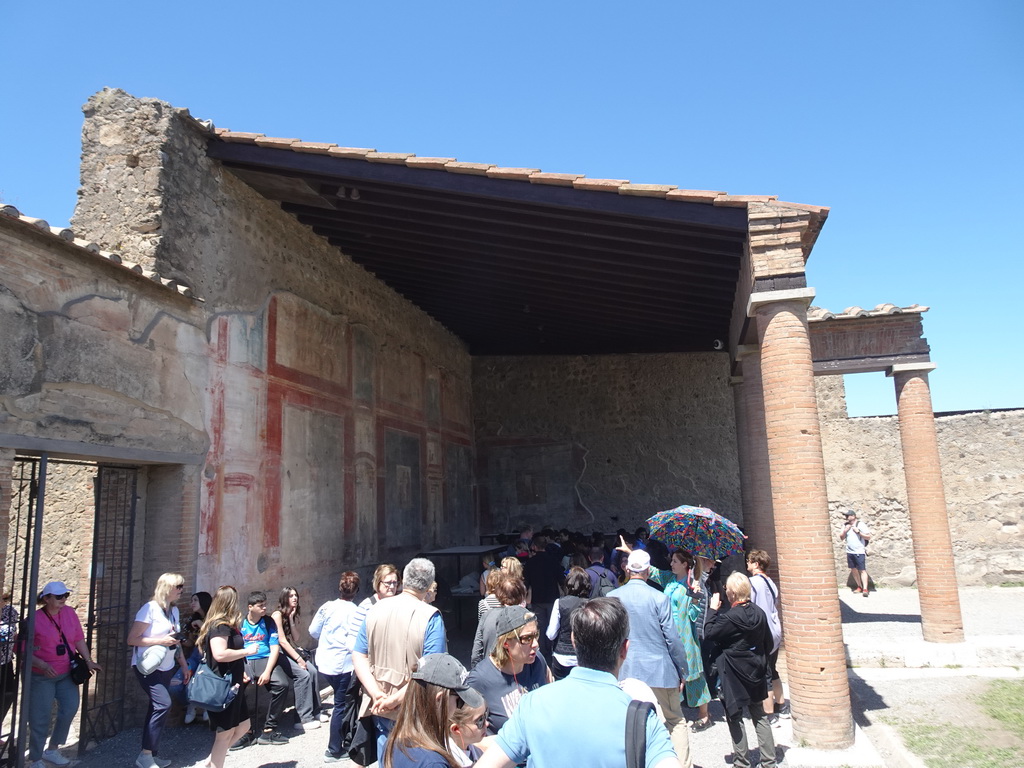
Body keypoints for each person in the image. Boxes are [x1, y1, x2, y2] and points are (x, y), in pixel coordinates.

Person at [474, 598, 678, 768]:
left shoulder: (533, 704)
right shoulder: (642, 718)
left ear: (573, 641)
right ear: (624, 649)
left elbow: (489, 763)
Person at [353, 558, 446, 755]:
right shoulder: (430, 616)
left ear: (403, 580)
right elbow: (432, 671)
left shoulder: (374, 609)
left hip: (379, 704)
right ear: (430, 585)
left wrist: (377, 693)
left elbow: (358, 655)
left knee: (385, 757)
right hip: (414, 709)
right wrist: (395, 699)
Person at [608, 549, 692, 768]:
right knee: (675, 720)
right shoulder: (660, 597)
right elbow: (672, 639)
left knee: (628, 724)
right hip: (660, 670)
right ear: (646, 571)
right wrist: (682, 669)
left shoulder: (613, 598)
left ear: (627, 569)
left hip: (626, 670)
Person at [705, 573, 777, 768]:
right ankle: (769, 762)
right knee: (760, 715)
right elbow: (768, 643)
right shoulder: (759, 613)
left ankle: (742, 762)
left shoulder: (730, 617)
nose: (726, 591)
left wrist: (712, 610)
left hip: (734, 673)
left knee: (734, 716)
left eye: (727, 589)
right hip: (755, 671)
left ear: (733, 593)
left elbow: (709, 633)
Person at [27, 581, 102, 768]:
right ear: (46, 598)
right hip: (41, 675)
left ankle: (52, 749)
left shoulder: (69, 613)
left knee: (70, 707)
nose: (63, 600)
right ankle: (35, 758)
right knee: (40, 716)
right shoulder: (33, 619)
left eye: (65, 596)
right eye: (59, 597)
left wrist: (88, 660)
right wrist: (42, 665)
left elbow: (77, 639)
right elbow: (22, 649)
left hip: (65, 672)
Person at [127, 572, 191, 768]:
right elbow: (132, 639)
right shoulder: (149, 609)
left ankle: (150, 754)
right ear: (166, 588)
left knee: (155, 707)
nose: (181, 590)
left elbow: (175, 640)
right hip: (148, 667)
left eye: (181, 586)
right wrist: (160, 640)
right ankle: (146, 755)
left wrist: (184, 665)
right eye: (177, 587)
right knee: (163, 704)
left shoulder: (174, 611)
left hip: (167, 666)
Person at [381, 653, 485, 768]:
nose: (458, 708)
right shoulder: (434, 763)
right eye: (459, 702)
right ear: (439, 700)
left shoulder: (392, 743)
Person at [197, 585, 259, 768]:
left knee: (243, 726)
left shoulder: (225, 625)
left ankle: (212, 761)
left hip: (234, 684)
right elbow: (220, 654)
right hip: (223, 685)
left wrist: (243, 669)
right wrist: (247, 651)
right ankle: (215, 764)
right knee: (224, 733)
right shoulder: (219, 627)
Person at [465, 606, 549, 735]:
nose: (535, 644)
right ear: (505, 642)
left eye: (536, 635)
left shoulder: (538, 661)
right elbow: (468, 738)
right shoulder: (479, 680)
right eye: (526, 638)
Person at [311, 571, 361, 763]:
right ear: (356, 591)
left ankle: (345, 738)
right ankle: (333, 749)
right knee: (341, 706)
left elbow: (313, 630)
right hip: (342, 664)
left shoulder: (327, 606)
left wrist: (327, 641)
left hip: (325, 661)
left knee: (343, 702)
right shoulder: (355, 611)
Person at [230, 591, 290, 750]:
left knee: (282, 685)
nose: (264, 608)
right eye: (260, 605)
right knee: (237, 689)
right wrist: (242, 669)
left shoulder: (269, 622)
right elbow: (236, 647)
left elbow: (274, 647)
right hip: (246, 659)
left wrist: (268, 672)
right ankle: (246, 732)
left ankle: (269, 729)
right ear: (250, 607)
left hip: (265, 659)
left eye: (265, 604)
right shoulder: (240, 623)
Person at [663, 551, 712, 731]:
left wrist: (695, 597)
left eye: (675, 561)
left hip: (684, 633)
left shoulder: (693, 584)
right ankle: (675, 714)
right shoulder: (670, 579)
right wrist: (631, 552)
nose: (671, 564)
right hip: (668, 631)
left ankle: (704, 715)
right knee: (672, 674)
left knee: (693, 674)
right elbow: (652, 572)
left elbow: (694, 615)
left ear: (685, 564)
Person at [271, 586, 323, 731]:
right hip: (278, 652)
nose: (295, 598)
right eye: (291, 596)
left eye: (296, 595)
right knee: (302, 675)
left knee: (312, 670)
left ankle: (315, 710)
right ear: (284, 598)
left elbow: (296, 638)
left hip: (288, 649)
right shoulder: (276, 615)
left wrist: (291, 618)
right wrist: (298, 659)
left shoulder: (290, 614)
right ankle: (302, 718)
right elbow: (281, 641)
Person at [746, 549, 788, 724]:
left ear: (756, 564)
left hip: (763, 632)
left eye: (749, 561)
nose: (747, 564)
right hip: (775, 630)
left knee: (765, 675)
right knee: (773, 668)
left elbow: (750, 604)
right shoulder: (770, 582)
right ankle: (782, 705)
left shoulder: (753, 582)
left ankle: (769, 714)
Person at [470, 573, 527, 668]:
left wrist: (477, 672)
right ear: (521, 596)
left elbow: (476, 652)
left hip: (490, 670)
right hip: (518, 671)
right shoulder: (526, 616)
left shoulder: (487, 616)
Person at [544, 566, 590, 679]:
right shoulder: (590, 604)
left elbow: (551, 634)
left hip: (562, 657)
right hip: (583, 658)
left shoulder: (560, 603)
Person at [522, 535, 562, 660]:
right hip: (552, 598)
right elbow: (561, 579)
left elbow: (526, 582)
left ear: (534, 546)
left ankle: (544, 654)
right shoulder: (553, 560)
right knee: (554, 625)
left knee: (541, 626)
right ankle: (554, 651)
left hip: (537, 599)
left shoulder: (530, 562)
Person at [182, 591, 213, 724]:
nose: (191, 603)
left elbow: (214, 637)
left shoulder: (211, 619)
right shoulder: (191, 619)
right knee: (178, 682)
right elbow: (190, 642)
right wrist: (179, 640)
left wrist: (202, 625)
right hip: (195, 654)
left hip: (209, 654)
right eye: (191, 600)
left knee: (203, 680)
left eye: (195, 600)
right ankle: (191, 704)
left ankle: (207, 707)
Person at [840, 511, 871, 596]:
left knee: (862, 570)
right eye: (846, 516)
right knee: (853, 569)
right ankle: (859, 586)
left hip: (859, 551)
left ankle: (865, 589)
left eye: (848, 515)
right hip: (849, 551)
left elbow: (868, 537)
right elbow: (841, 538)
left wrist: (858, 532)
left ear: (853, 516)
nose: (846, 517)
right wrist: (845, 530)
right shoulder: (845, 525)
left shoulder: (860, 525)